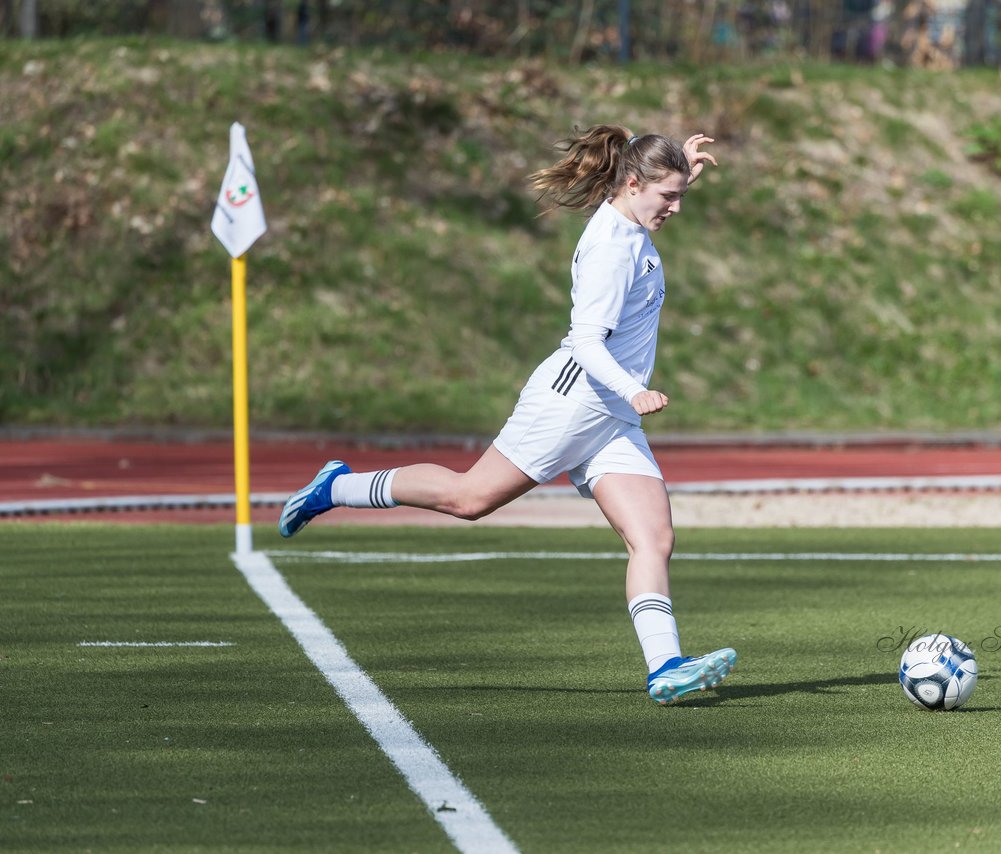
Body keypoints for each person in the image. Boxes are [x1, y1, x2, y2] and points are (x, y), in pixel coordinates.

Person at [278, 124, 736, 705]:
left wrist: (683, 171)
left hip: (609, 417)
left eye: (681, 197)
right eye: (668, 196)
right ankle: (337, 487)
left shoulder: (631, 213)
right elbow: (588, 341)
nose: (675, 207)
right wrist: (633, 390)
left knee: (654, 538)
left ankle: (665, 667)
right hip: (573, 402)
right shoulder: (609, 248)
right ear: (635, 182)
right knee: (469, 499)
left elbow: (649, 195)